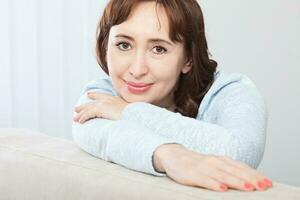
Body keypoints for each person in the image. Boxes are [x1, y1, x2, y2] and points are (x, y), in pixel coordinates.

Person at [72, 0, 272, 192]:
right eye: (124, 45)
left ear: (188, 59)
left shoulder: (234, 91)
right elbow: (91, 131)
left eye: (158, 49)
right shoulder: (103, 93)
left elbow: (237, 153)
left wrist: (127, 111)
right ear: (106, 46)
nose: (137, 69)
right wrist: (169, 155)